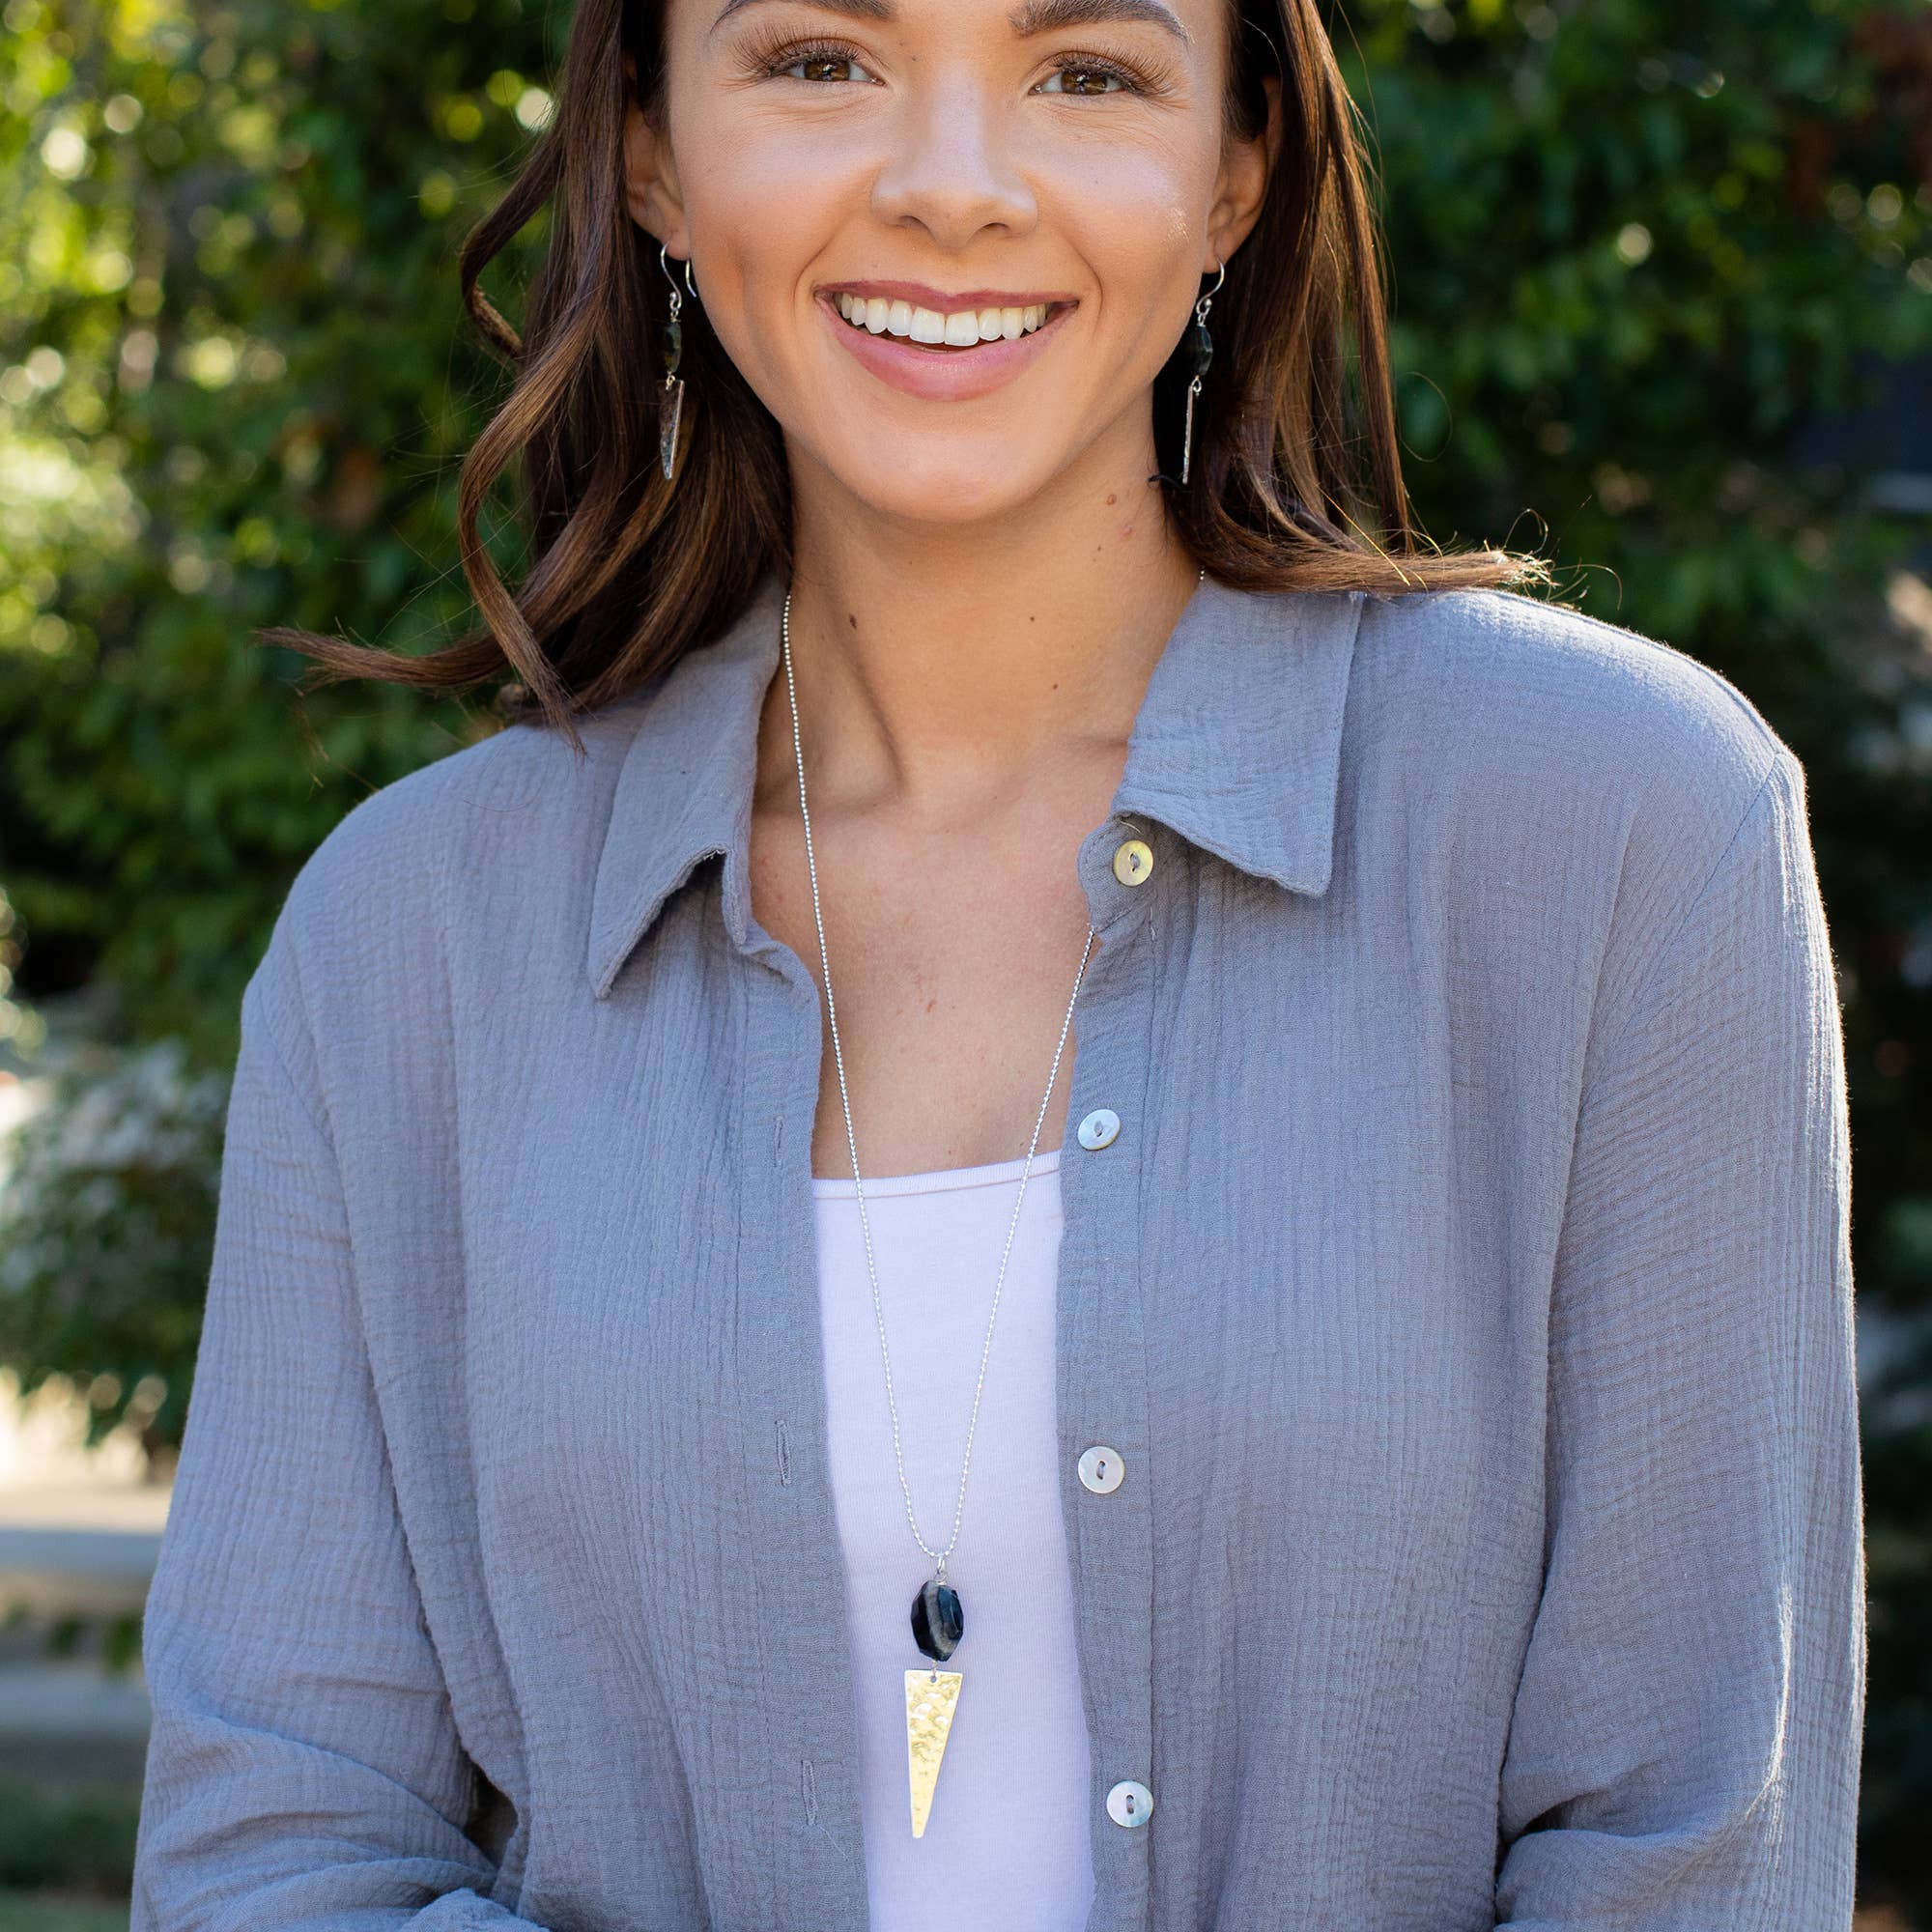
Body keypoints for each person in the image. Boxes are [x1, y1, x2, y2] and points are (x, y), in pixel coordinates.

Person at [129, 0, 1866, 1926]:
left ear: (1235, 172)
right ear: (647, 152)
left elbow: (1694, 1854)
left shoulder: (1619, 832)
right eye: (818, 59)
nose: (952, 186)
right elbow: (278, 1861)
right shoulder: (407, 946)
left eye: (1087, 71)